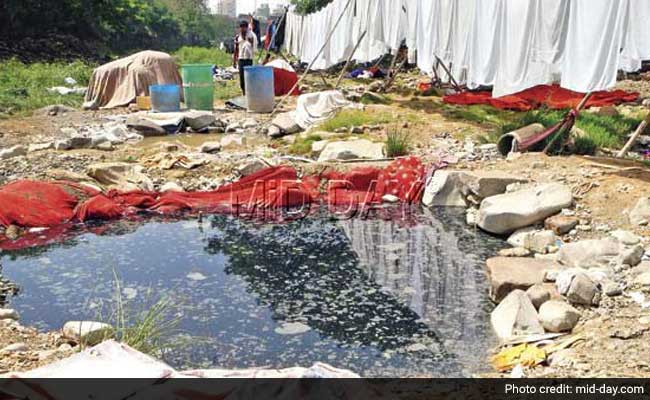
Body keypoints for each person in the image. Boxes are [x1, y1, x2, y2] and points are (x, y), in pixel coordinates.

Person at [233, 20, 258, 95]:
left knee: (249, 77)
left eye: (244, 27)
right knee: (242, 78)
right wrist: (234, 61)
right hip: (241, 59)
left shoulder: (251, 36)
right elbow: (236, 49)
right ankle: (244, 93)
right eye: (241, 27)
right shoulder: (238, 37)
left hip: (249, 59)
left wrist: (251, 42)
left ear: (247, 28)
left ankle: (249, 93)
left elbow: (254, 47)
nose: (242, 29)